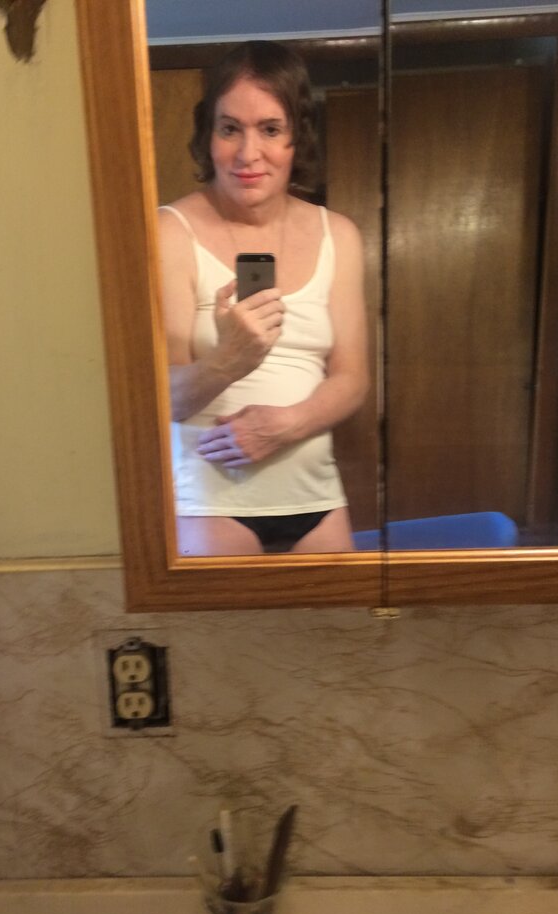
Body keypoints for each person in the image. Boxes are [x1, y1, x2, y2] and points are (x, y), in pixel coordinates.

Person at [158, 40, 369, 556]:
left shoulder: (338, 234)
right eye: (230, 128)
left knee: (341, 613)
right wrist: (230, 359)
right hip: (211, 503)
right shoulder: (170, 232)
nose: (248, 154)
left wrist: (284, 426)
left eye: (270, 129)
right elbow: (165, 399)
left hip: (317, 498)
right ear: (208, 134)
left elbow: (353, 379)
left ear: (297, 137)